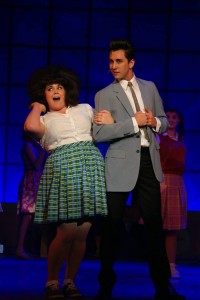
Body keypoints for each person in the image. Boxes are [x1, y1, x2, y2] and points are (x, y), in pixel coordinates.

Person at [93, 39, 185, 300]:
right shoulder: (104, 94)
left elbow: (165, 123)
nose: (113, 66)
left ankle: (162, 287)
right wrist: (132, 122)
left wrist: (154, 120)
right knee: (111, 227)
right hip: (119, 163)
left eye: (119, 61)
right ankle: (105, 286)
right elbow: (99, 134)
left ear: (131, 62)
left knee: (154, 227)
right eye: (110, 61)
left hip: (148, 162)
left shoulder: (150, 87)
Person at [24, 65, 108, 299]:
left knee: (83, 231)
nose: (55, 91)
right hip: (64, 170)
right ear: (44, 94)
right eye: (49, 89)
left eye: (59, 87)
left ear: (67, 89)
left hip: (90, 167)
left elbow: (105, 129)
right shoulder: (44, 119)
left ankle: (70, 281)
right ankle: (52, 282)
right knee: (66, 231)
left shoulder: (84, 108)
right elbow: (29, 127)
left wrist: (108, 118)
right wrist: (37, 105)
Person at [158, 108, 187, 279]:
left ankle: (171, 264)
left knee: (172, 229)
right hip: (163, 181)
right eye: (168, 117)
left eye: (175, 117)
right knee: (159, 227)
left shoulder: (180, 139)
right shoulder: (159, 138)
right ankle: (158, 264)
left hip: (177, 183)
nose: (171, 119)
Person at [16, 131, 46, 259]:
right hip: (30, 181)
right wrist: (44, 150)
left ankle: (28, 247)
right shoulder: (27, 145)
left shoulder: (33, 145)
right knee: (27, 215)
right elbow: (36, 165)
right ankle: (20, 248)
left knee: (32, 215)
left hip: (35, 180)